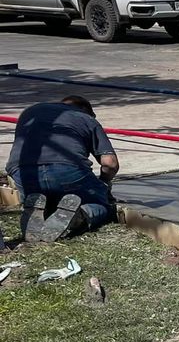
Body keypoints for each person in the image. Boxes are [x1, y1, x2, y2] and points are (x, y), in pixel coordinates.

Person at [5, 95, 119, 243]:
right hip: (67, 171)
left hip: (23, 173)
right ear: (86, 110)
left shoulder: (30, 111)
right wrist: (104, 183)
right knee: (102, 205)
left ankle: (38, 208)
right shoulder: (86, 118)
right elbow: (110, 163)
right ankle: (81, 215)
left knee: (50, 200)